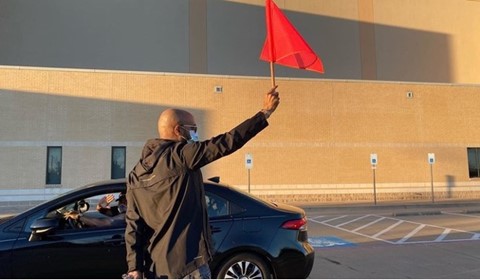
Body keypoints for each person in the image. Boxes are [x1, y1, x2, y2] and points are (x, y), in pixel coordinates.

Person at [124, 86, 280, 279]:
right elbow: (226, 143)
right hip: (188, 264)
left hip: (156, 267)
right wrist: (264, 113)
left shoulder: (136, 174)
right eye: (193, 129)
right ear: (179, 130)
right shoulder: (181, 156)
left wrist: (134, 267)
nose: (196, 134)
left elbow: (133, 227)